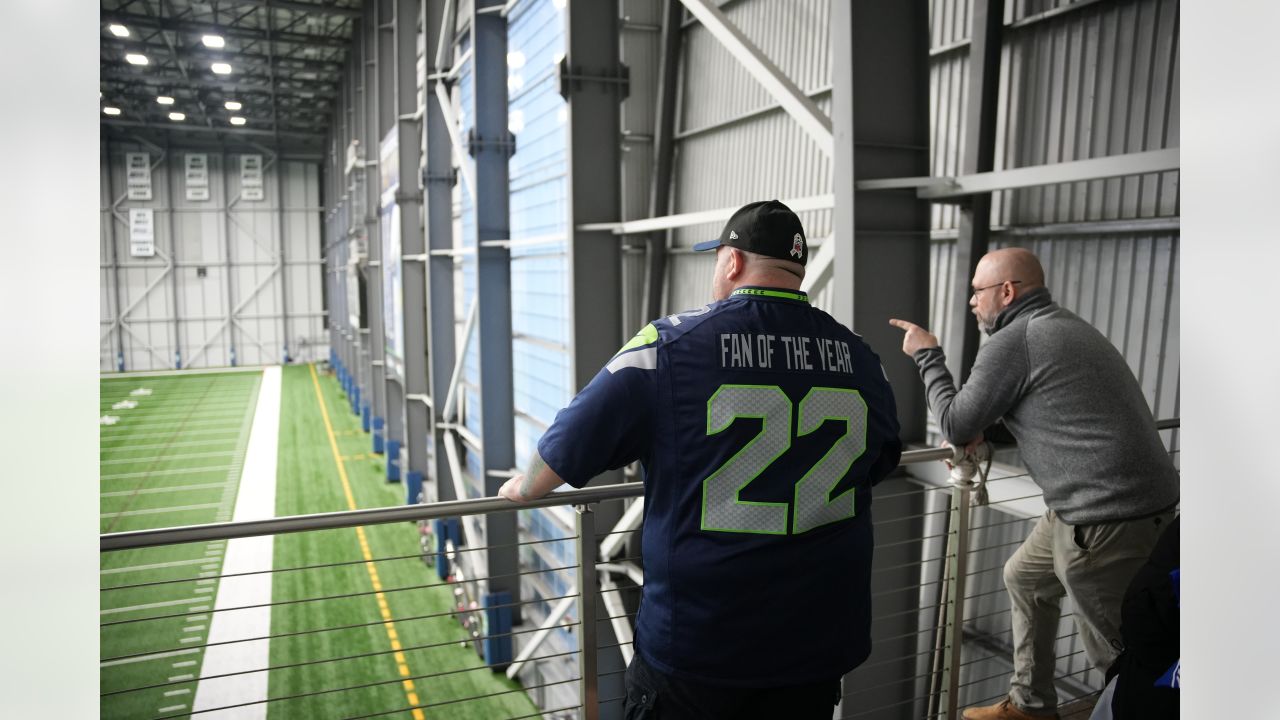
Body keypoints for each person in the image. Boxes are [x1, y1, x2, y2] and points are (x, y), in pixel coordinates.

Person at [499, 200, 903, 719]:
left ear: (732, 262)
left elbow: (563, 449)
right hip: (815, 644)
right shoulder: (860, 356)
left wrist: (522, 487)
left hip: (700, 644)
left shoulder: (668, 345)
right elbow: (881, 458)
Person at [888, 247, 1179, 720]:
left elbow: (957, 423)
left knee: (1130, 653)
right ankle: (1030, 706)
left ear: (1007, 291)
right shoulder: (1062, 325)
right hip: (1114, 505)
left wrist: (927, 354)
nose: (972, 302)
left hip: (1104, 519)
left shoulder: (1015, 339)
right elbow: (1048, 408)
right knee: (1024, 577)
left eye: (977, 292)